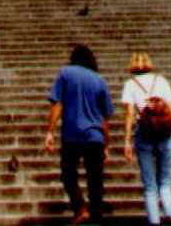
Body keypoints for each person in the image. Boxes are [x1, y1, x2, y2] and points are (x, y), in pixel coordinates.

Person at [44, 44, 113, 226]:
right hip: (95, 136)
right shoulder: (99, 80)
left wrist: (50, 132)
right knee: (95, 180)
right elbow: (105, 118)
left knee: (68, 175)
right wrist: (106, 144)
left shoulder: (65, 74)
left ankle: (80, 207)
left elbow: (57, 105)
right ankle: (96, 217)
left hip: (71, 134)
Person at [122, 52, 171, 225]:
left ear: (133, 65)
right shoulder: (161, 80)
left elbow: (129, 114)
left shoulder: (130, 84)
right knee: (165, 181)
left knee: (150, 185)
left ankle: (154, 221)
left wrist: (127, 141)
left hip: (143, 134)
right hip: (164, 134)